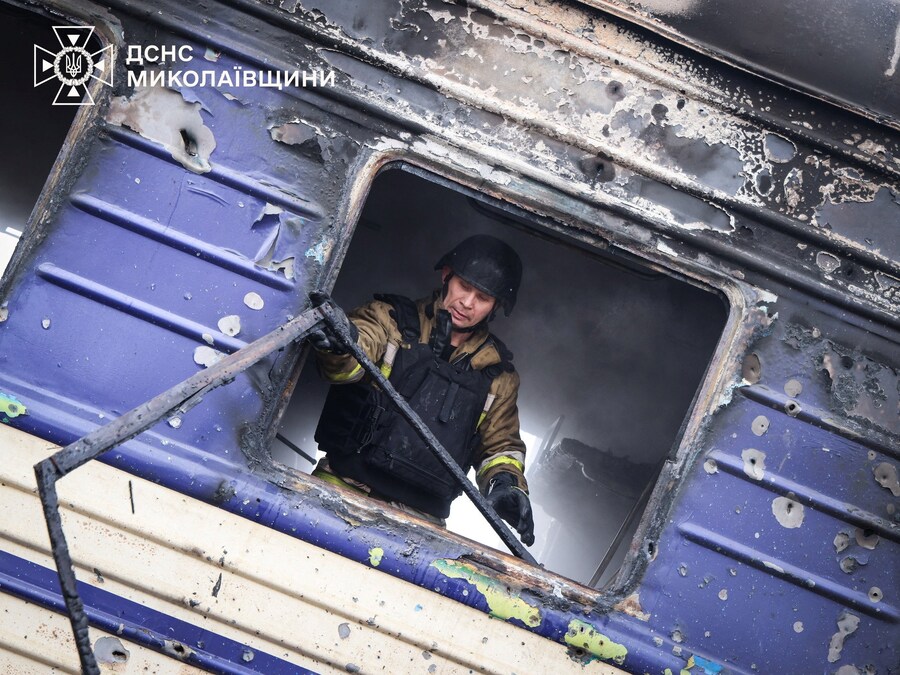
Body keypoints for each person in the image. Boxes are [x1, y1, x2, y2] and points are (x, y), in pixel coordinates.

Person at [309, 234, 535, 545]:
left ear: (497, 306)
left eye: (482, 298)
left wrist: (506, 484)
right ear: (447, 276)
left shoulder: (499, 377)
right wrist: (339, 342)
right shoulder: (389, 319)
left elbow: (499, 446)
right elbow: (351, 359)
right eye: (464, 287)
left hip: (419, 529)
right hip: (339, 491)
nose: (468, 303)